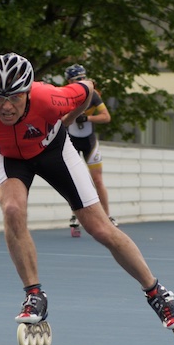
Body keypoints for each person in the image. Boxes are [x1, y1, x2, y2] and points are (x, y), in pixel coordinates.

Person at [0, 51, 174, 336]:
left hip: (54, 150)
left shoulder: (49, 98)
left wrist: (68, 119)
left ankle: (156, 293)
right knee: (12, 209)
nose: (6, 106)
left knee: (99, 228)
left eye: (15, 97)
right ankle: (34, 295)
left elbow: (88, 88)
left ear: (28, 92)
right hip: (8, 156)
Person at [60, 64, 114, 235]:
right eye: (77, 79)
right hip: (72, 142)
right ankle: (76, 215)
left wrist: (87, 118)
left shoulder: (93, 94)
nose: (82, 81)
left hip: (89, 142)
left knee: (97, 180)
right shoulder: (64, 94)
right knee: (75, 181)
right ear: (69, 81)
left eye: (83, 78)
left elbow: (106, 117)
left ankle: (107, 216)